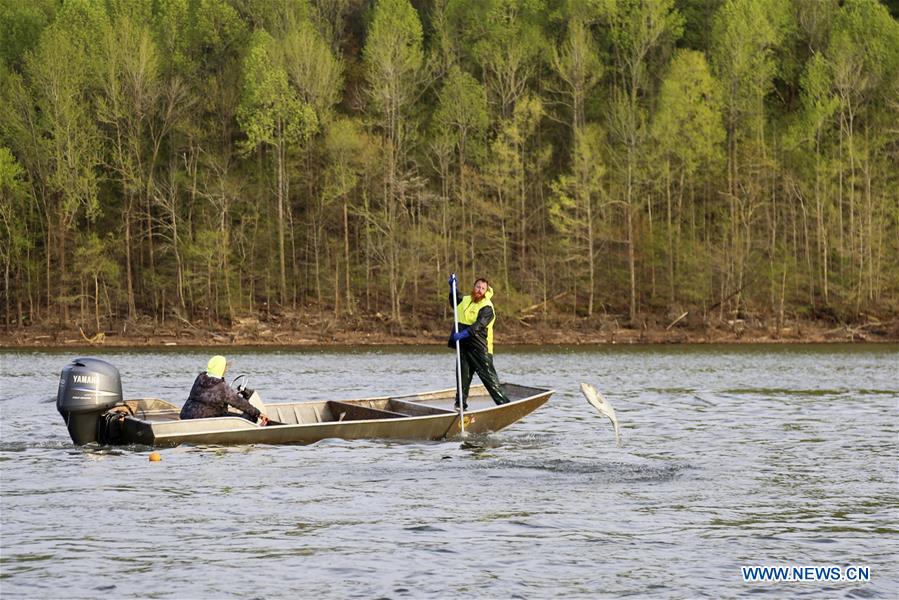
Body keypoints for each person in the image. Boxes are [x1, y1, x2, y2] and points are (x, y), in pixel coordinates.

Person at [448, 275, 511, 410]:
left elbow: (478, 325)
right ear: (474, 287)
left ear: (486, 291)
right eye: (478, 287)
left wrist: (463, 334)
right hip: (464, 347)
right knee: (462, 376)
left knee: (489, 379)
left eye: (483, 288)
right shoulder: (465, 300)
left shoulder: (487, 307)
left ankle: (504, 405)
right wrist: (453, 289)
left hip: (480, 348)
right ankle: (460, 404)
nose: (479, 290)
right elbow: (455, 301)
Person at [180, 355, 269, 425]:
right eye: (225, 366)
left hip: (186, 415)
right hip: (205, 420)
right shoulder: (222, 387)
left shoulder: (200, 378)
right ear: (221, 368)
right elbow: (239, 403)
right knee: (251, 416)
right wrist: (258, 413)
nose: (226, 369)